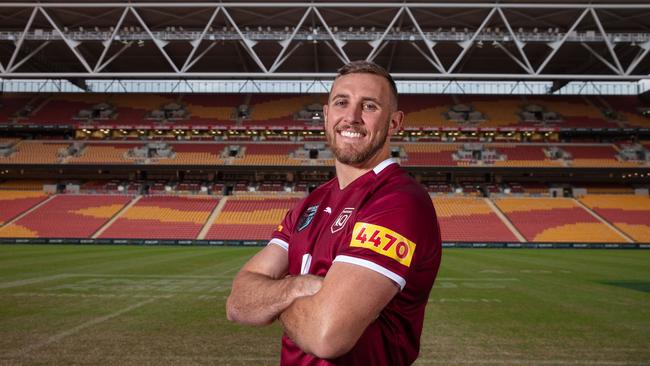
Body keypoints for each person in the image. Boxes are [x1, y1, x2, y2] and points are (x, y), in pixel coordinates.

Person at [226, 60, 442, 365]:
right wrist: (300, 286)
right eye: (342, 103)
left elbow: (326, 336)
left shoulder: (398, 201)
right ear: (327, 115)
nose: (351, 118)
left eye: (369, 106)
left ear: (394, 123)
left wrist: (272, 300)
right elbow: (237, 304)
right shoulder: (311, 203)